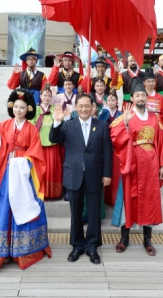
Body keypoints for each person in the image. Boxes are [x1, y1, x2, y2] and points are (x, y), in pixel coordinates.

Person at [0, 88, 51, 273]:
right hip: (5, 171)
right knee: (1, 207)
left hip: (23, 173)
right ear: (11, 107)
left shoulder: (32, 129)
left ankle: (23, 250)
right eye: (15, 107)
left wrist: (24, 162)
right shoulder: (4, 126)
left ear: (28, 109)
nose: (18, 110)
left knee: (23, 204)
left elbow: (36, 154)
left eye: (22, 107)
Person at [110, 79, 163, 256]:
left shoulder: (154, 117)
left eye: (143, 95)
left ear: (146, 98)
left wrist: (162, 165)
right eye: (137, 95)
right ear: (132, 98)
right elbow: (114, 136)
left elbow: (160, 142)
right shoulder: (126, 115)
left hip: (151, 165)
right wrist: (125, 123)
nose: (140, 98)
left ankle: (147, 240)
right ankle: (124, 238)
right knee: (128, 199)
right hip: (132, 162)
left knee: (150, 200)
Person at [49, 95, 112, 265]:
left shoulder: (102, 126)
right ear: (76, 107)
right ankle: (77, 246)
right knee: (75, 213)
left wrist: (107, 174)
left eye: (87, 106)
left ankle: (92, 247)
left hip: (94, 175)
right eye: (80, 106)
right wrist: (56, 122)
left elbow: (107, 152)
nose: (84, 109)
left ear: (93, 107)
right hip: (74, 175)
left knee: (93, 213)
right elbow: (53, 139)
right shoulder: (69, 125)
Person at [30, 84, 62, 198]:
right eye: (45, 95)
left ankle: (51, 193)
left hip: (51, 143)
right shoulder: (36, 109)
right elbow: (32, 124)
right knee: (39, 168)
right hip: (39, 144)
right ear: (40, 96)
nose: (47, 98)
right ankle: (39, 191)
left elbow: (58, 123)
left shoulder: (54, 109)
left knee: (51, 168)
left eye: (49, 96)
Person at [98, 89, 123, 207]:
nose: (111, 102)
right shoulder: (103, 114)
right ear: (106, 102)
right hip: (105, 147)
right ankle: (106, 198)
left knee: (116, 174)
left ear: (117, 102)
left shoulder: (122, 114)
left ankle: (116, 199)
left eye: (113, 100)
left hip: (118, 148)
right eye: (109, 100)